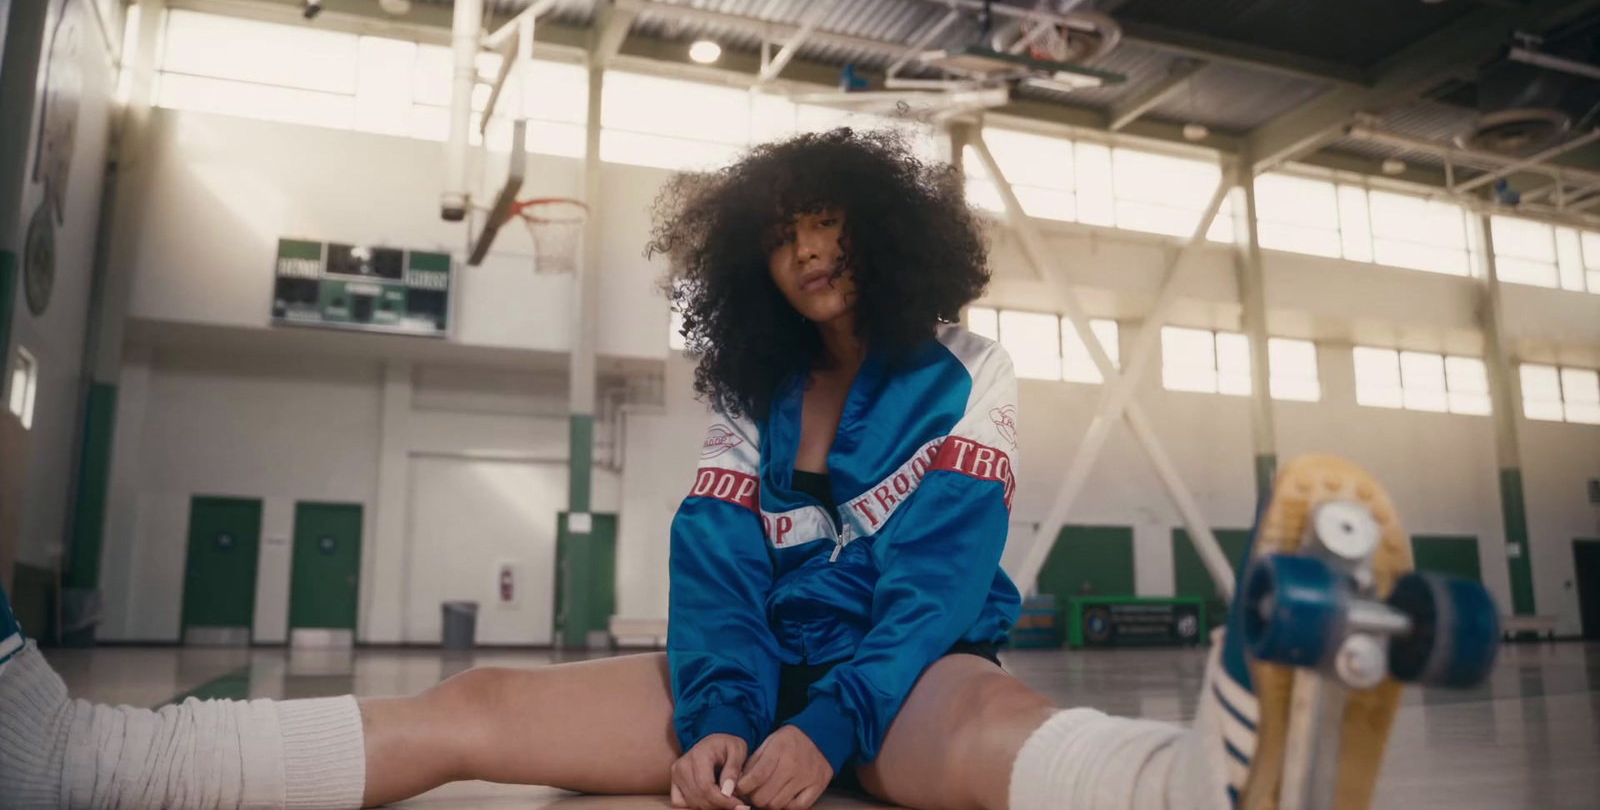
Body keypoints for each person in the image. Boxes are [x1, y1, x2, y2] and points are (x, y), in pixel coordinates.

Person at [0, 129, 1410, 810]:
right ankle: (91, 764)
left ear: (888, 234)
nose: (807, 251)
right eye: (783, 233)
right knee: (478, 704)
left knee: (988, 737)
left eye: (831, 225)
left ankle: (1213, 786)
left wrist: (831, 728)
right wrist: (730, 718)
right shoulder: (748, 386)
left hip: (903, 673)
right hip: (759, 674)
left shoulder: (972, 372)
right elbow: (718, 572)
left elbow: (936, 583)